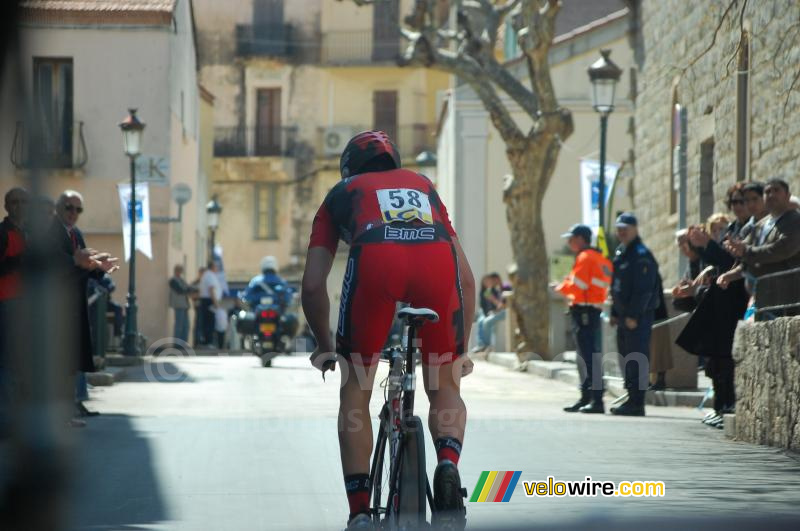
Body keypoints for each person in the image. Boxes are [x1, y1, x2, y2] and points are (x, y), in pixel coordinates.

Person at [301, 130, 475, 530]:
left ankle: (360, 511)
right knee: (444, 385)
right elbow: (466, 278)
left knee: (356, 390)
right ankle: (447, 460)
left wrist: (326, 345)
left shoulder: (342, 193)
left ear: (350, 169)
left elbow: (312, 285)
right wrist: (461, 348)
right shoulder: (424, 187)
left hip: (375, 266)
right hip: (437, 267)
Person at [51, 190, 119, 424]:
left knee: (71, 360)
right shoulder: (50, 232)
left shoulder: (76, 234)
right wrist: (82, 264)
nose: (73, 213)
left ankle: (70, 408)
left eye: (78, 210)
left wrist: (100, 268)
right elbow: (55, 267)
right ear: (58, 208)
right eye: (69, 207)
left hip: (75, 303)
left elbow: (85, 266)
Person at [719, 178, 800, 318]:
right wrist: (730, 274)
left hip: (787, 300)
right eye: (767, 191)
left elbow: (782, 250)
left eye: (776, 190)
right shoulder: (759, 226)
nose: (771, 194)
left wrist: (745, 250)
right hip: (762, 298)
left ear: (787, 196)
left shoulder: (794, 220)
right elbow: (748, 258)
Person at [555, 224, 613, 414]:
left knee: (588, 357)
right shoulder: (599, 258)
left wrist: (560, 287)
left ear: (580, 239)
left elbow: (576, 285)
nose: (568, 242)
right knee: (589, 356)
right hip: (592, 311)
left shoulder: (584, 257)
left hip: (584, 312)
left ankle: (595, 400)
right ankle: (588, 398)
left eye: (571, 238)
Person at [609, 213, 660, 416]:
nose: (622, 232)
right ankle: (631, 397)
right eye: (619, 228)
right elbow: (616, 287)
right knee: (626, 358)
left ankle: (637, 402)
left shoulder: (641, 254)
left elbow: (644, 290)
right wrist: (615, 312)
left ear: (635, 229)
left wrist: (634, 316)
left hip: (636, 318)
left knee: (636, 358)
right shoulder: (622, 252)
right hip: (623, 317)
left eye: (626, 228)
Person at [0, 188, 28, 435]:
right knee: (7, 364)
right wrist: (22, 259)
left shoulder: (28, 233)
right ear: (7, 205)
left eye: (23, 202)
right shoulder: (2, 233)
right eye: (15, 202)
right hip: (6, 304)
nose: (19, 206)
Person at [472, 272, 506, 352]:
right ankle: (481, 344)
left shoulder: (498, 289)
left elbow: (500, 304)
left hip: (495, 312)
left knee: (486, 322)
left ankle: (485, 345)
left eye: (490, 281)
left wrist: (496, 307)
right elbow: (484, 305)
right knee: (481, 321)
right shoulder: (486, 291)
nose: (489, 283)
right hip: (484, 311)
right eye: (486, 281)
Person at [169, 265, 195, 345]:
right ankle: (177, 344)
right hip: (179, 305)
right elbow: (181, 290)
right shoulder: (173, 281)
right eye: (180, 271)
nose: (180, 273)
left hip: (185, 305)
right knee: (179, 325)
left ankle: (184, 343)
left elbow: (189, 288)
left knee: (186, 325)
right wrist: (188, 289)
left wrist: (190, 289)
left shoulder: (181, 280)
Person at [197, 261, 221, 347]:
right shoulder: (210, 275)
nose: (217, 268)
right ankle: (208, 342)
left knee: (207, 321)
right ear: (212, 267)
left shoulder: (206, 275)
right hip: (209, 300)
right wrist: (215, 303)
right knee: (210, 322)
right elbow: (211, 289)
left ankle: (207, 341)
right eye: (216, 266)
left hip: (206, 300)